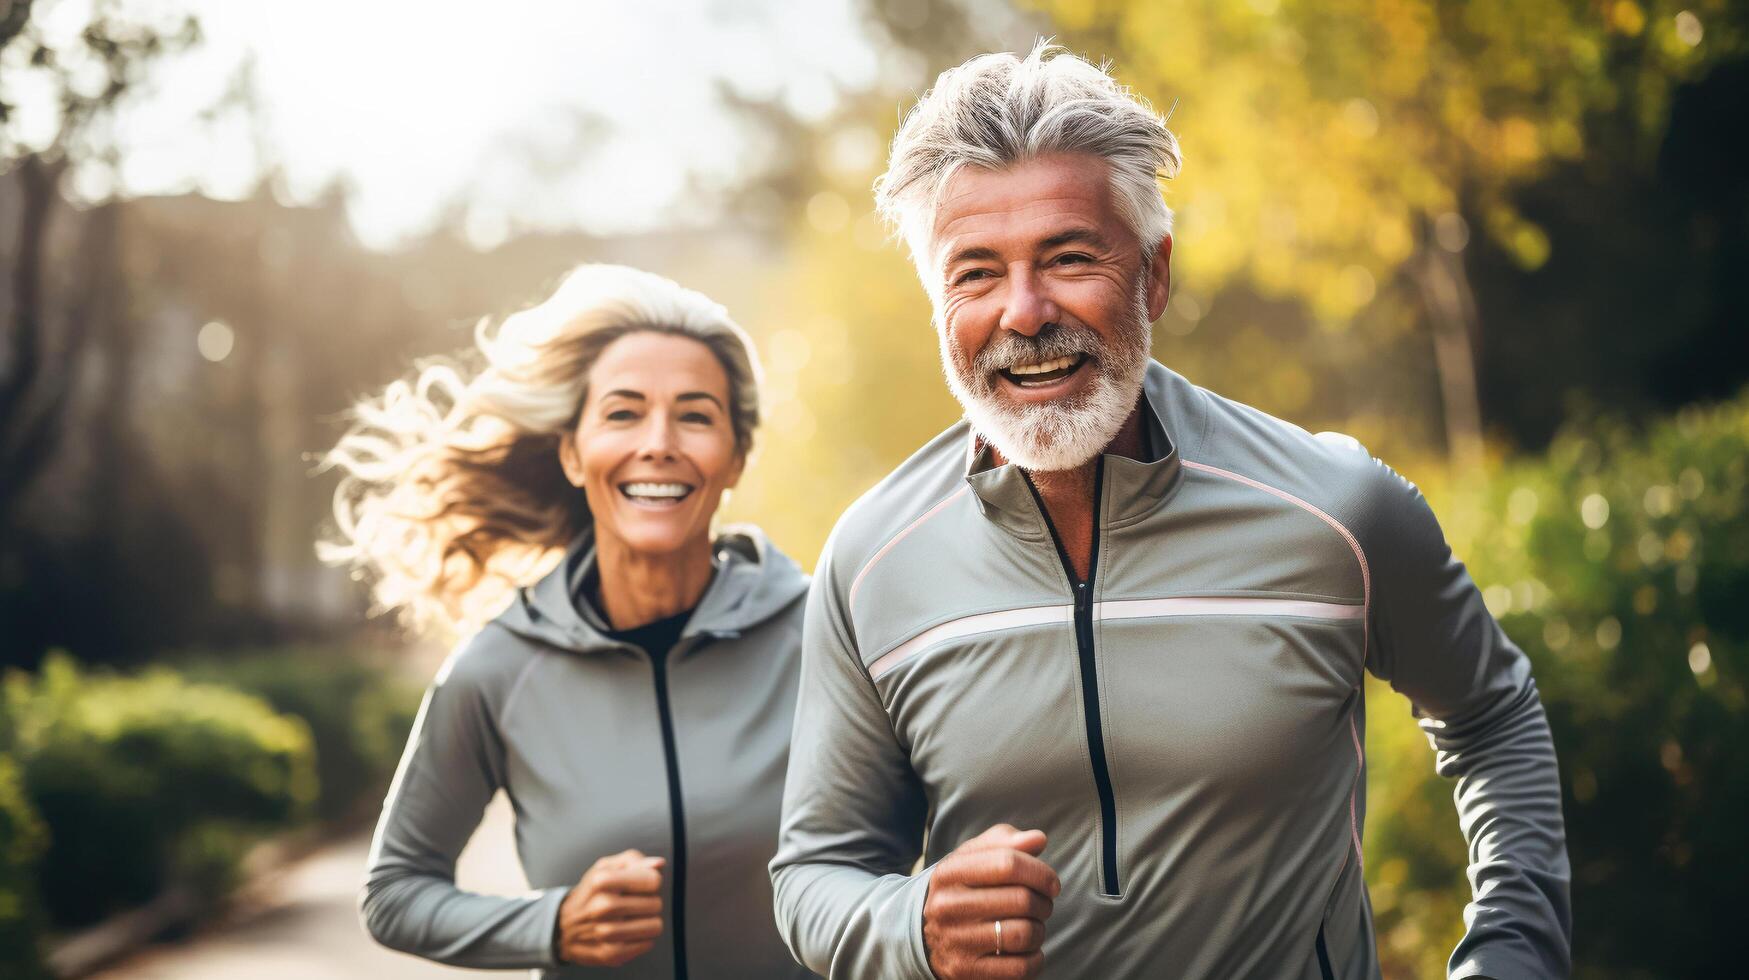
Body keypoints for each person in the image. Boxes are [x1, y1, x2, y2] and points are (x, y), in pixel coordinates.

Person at [770, 44, 1570, 980]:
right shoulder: (871, 560)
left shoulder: (1336, 509)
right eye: (975, 273)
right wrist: (909, 927)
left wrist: (1515, 954)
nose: (1023, 313)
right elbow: (817, 872)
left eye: (1068, 258)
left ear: (1153, 276)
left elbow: (1491, 714)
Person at [322, 264, 814, 979]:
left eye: (695, 414)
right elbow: (394, 893)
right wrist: (551, 924)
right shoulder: (499, 668)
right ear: (572, 452)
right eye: (622, 412)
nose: (659, 442)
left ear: (735, 457)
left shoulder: (821, 632)